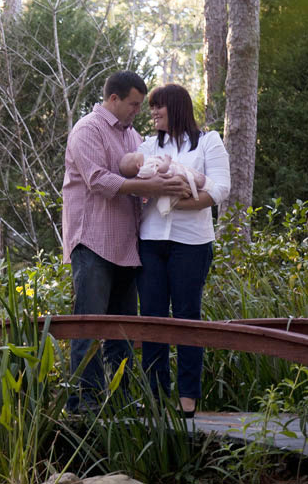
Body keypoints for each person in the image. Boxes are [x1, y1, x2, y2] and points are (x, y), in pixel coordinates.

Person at [61, 71, 191, 412]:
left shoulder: (133, 137)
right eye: (133, 104)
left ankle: (119, 404)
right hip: (92, 244)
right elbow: (98, 181)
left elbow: (145, 176)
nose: (138, 111)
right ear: (114, 99)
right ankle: (83, 406)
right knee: (88, 326)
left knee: (121, 331)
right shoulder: (88, 129)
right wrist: (149, 188)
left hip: (126, 248)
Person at [134, 83, 230, 418]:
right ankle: (156, 397)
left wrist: (177, 202)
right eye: (151, 108)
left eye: (158, 106)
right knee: (152, 318)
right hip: (150, 243)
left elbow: (219, 189)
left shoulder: (208, 142)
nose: (153, 113)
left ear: (176, 107)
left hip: (192, 243)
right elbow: (139, 184)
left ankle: (188, 398)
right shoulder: (147, 145)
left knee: (188, 317)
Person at [119, 151, 219, 216]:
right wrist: (166, 161)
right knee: (183, 180)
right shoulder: (143, 169)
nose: (135, 151)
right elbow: (161, 169)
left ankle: (195, 187)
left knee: (186, 181)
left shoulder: (144, 166)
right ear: (138, 165)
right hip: (170, 176)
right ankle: (195, 187)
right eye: (133, 154)